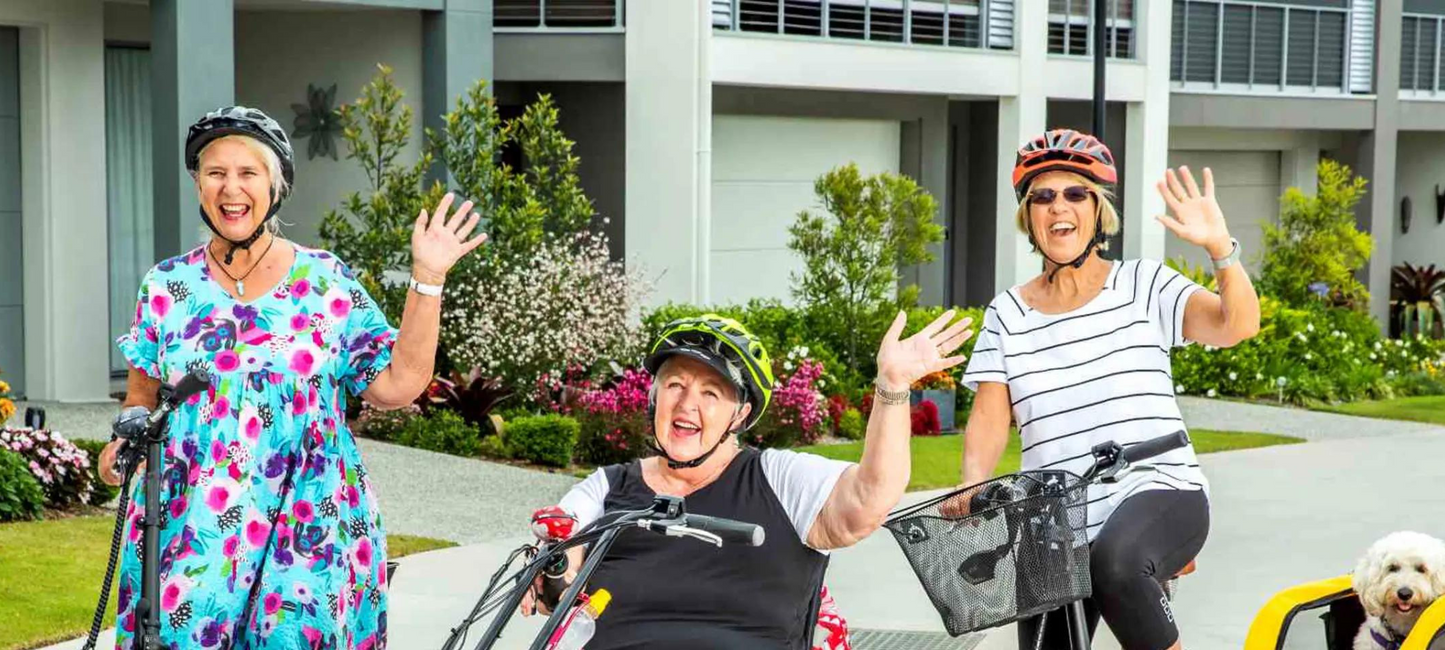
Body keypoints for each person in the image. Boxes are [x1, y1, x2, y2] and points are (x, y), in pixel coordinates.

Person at [99, 106, 487, 649]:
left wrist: (427, 279)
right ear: (198, 184)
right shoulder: (166, 286)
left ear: (274, 184)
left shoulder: (324, 281)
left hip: (310, 520)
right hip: (193, 523)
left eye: (247, 173)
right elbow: (139, 399)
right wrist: (123, 440)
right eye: (215, 173)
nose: (231, 188)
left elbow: (398, 383)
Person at [956, 129, 1261, 650]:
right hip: (1053, 519)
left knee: (1116, 566)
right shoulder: (1006, 314)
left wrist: (1221, 251)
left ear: (1099, 212)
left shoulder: (1145, 284)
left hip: (1155, 486)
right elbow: (989, 415)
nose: (1059, 207)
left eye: (1076, 193)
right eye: (1043, 197)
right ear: (1028, 217)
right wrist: (970, 486)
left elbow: (1238, 326)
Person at [520, 311, 974, 649]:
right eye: (675, 385)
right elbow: (565, 548)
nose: (687, 405)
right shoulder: (608, 488)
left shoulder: (777, 477)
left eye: (711, 393)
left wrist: (892, 387)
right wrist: (554, 567)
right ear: (654, 397)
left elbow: (868, 500)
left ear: (740, 415)